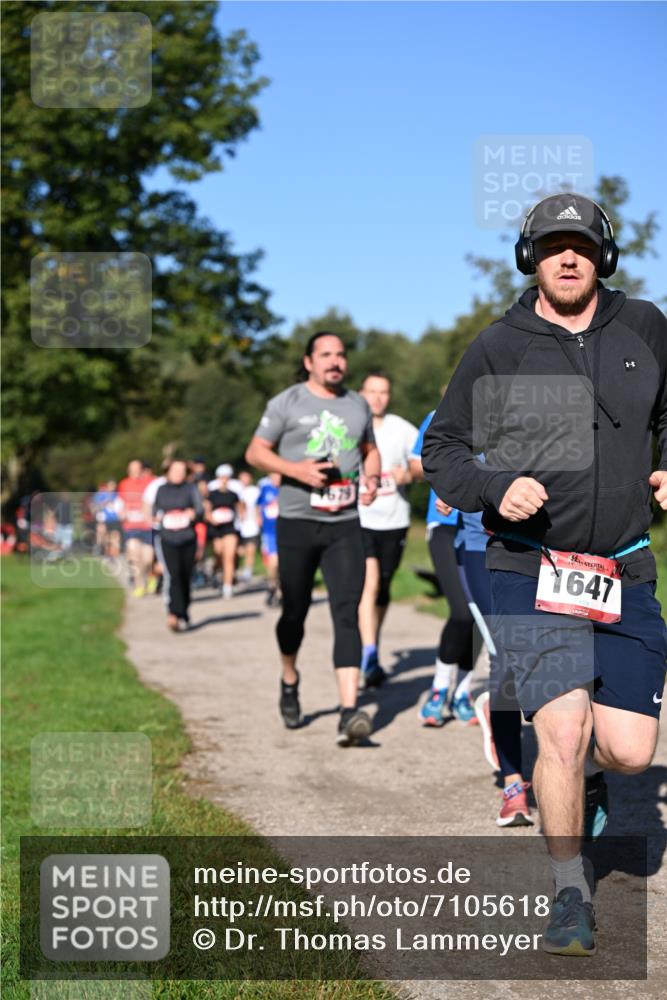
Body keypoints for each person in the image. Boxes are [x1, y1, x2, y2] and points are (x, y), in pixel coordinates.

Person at [422, 192, 667, 956]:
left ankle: (589, 783)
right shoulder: (498, 345)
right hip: (531, 567)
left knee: (627, 750)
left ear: (602, 256)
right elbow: (443, 450)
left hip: (622, 568)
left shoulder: (646, 327)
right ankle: (569, 893)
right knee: (560, 732)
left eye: (582, 246)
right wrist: (494, 487)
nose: (569, 257)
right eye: (554, 245)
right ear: (530, 256)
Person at [245, 331, 381, 746]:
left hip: (344, 522)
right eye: (326, 354)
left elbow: (368, 448)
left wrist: (371, 475)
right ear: (309, 362)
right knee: (295, 613)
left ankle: (348, 710)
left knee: (347, 610)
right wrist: (296, 470)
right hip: (298, 522)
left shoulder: (357, 403)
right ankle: (290, 677)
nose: (335, 361)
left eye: (340, 354)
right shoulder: (286, 402)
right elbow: (254, 452)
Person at [410, 410, 477, 725]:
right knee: (461, 611)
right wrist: (452, 480)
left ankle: (462, 692)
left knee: (478, 615)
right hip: (445, 524)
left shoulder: (506, 417)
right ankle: (438, 691)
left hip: (485, 529)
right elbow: (415, 463)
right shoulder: (440, 416)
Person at [357, 372, 419, 688]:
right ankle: (367, 653)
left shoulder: (402, 429)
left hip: (394, 521)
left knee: (382, 588)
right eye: (372, 391)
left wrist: (408, 474)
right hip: (359, 519)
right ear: (361, 393)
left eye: (384, 391)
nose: (378, 397)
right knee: (368, 584)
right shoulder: (351, 426)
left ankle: (372, 645)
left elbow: (422, 465)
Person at [153, 458, 204, 631]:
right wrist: (158, 517)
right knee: (173, 575)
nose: (178, 474)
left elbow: (200, 511)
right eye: (175, 470)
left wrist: (193, 514)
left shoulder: (191, 489)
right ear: (168, 472)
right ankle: (173, 613)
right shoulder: (161, 489)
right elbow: (155, 510)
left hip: (188, 538)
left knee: (185, 576)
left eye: (182, 471)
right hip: (168, 538)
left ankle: (184, 610)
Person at [117, 459, 156, 597]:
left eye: (137, 470)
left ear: (142, 470)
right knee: (134, 555)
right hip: (130, 526)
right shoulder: (124, 484)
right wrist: (121, 512)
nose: (134, 473)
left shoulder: (151, 483)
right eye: (131, 470)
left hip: (147, 526)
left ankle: (151, 576)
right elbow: (120, 503)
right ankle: (139, 585)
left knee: (147, 559)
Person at [206, 464, 242, 599]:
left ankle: (227, 587)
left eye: (227, 477)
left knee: (230, 556)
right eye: (222, 477)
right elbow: (207, 510)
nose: (224, 480)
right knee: (219, 553)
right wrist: (211, 518)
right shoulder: (212, 494)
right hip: (216, 529)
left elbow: (240, 509)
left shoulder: (234, 494)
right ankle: (215, 570)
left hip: (230, 528)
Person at [258, 471, 281, 606]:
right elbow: (259, 505)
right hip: (269, 532)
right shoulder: (265, 489)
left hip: (285, 531)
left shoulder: (286, 489)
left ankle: (281, 593)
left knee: (284, 564)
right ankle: (272, 585)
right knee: (273, 562)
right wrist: (258, 518)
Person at [237, 469, 261, 582]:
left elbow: (259, 506)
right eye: (242, 477)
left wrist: (258, 518)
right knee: (239, 551)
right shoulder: (235, 489)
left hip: (251, 526)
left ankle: (248, 571)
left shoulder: (255, 491)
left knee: (251, 549)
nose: (244, 480)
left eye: (246, 477)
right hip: (236, 526)